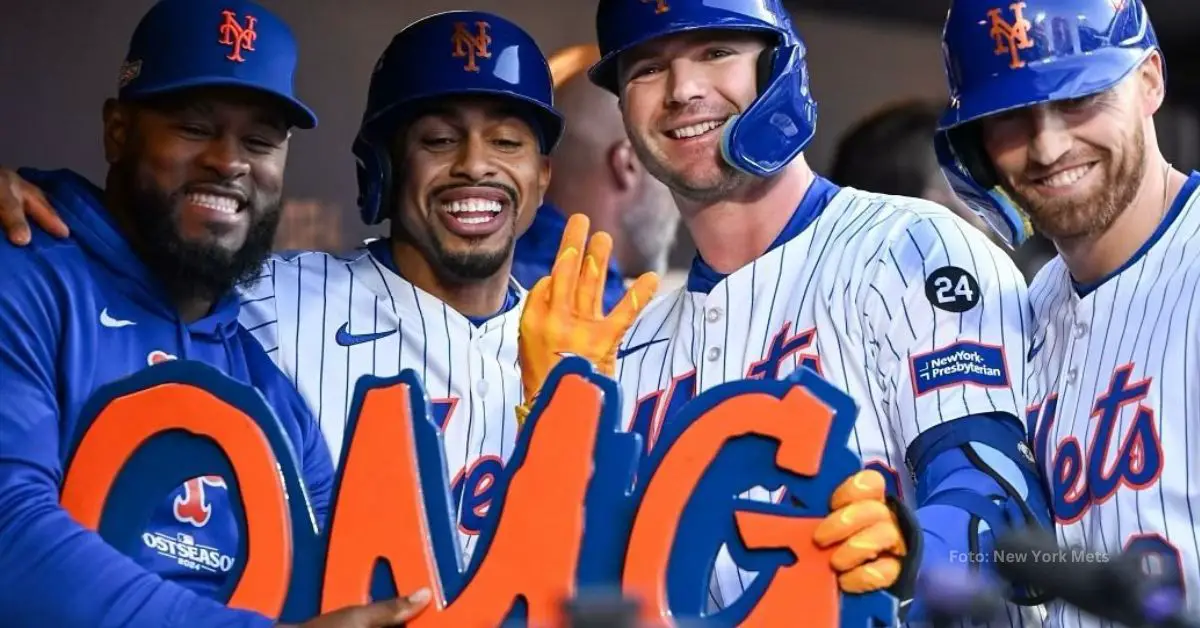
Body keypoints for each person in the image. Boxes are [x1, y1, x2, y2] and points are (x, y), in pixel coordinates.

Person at [519, 0, 1055, 623]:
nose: (682, 89)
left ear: (779, 68)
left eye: (717, 52)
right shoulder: (632, 348)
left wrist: (915, 543)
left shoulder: (909, 249)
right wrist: (561, 430)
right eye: (646, 69)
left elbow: (1004, 496)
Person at [0, 1, 430, 626]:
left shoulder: (265, 389)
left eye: (259, 140)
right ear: (118, 131)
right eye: (195, 127)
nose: (229, 162)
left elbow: (349, 578)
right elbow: (10, 538)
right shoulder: (27, 274)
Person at [936, 0, 1200, 624]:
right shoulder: (1023, 310)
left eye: (1078, 98)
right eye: (1011, 116)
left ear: (1150, 80)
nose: (1048, 146)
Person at [512, 43, 678, 313]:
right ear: (628, 164)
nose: (676, 197)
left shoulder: (490, 274)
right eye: (666, 157)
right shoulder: (602, 315)